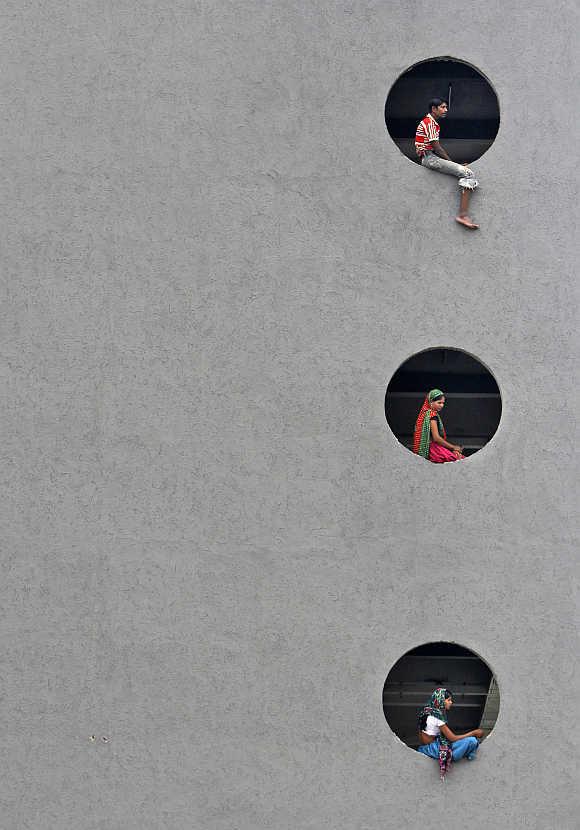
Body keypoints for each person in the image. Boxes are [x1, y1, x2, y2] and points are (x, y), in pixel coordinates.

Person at [415, 98, 480, 230]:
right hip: (430, 158)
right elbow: (437, 148)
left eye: (446, 107)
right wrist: (454, 164)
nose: (446, 110)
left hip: (429, 157)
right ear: (434, 109)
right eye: (442, 107)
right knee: (468, 174)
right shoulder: (430, 123)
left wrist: (455, 165)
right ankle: (463, 215)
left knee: (463, 170)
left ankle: (463, 214)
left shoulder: (430, 122)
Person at [417, 688, 484, 781]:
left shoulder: (425, 712)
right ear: (440, 700)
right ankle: (455, 756)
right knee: (472, 741)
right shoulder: (437, 717)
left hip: (426, 747)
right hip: (433, 749)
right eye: (448, 700)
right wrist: (473, 733)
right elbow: (453, 738)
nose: (451, 702)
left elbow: (421, 735)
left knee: (461, 743)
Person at [412, 389, 465, 463]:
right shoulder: (432, 415)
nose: (442, 405)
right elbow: (436, 438)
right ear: (431, 402)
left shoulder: (424, 414)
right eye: (439, 403)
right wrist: (454, 447)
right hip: (432, 450)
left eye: (443, 403)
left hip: (429, 448)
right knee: (459, 459)